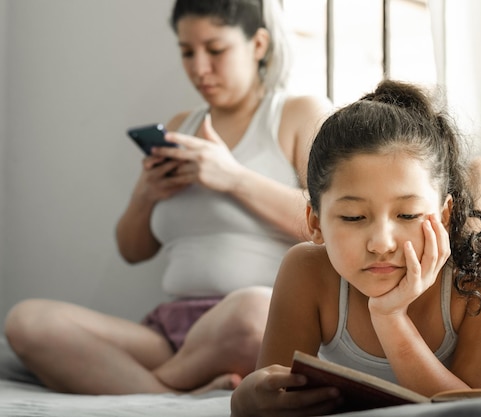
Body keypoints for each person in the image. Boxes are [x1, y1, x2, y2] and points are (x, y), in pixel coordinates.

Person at [4, 0, 331, 395]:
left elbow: (330, 223)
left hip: (252, 323)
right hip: (171, 331)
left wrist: (233, 178)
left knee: (253, 310)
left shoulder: (298, 113)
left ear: (258, 45)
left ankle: (140, 387)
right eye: (187, 52)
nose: (199, 68)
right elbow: (132, 249)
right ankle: (175, 392)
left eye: (215, 50)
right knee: (28, 321)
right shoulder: (181, 126)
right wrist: (146, 194)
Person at [230, 79, 481, 417]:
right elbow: (269, 391)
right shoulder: (306, 270)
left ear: (444, 215)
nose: (382, 243)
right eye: (354, 217)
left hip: (459, 251)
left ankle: (480, 185)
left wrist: (390, 317)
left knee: (473, 234)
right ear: (315, 223)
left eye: (407, 214)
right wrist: (245, 400)